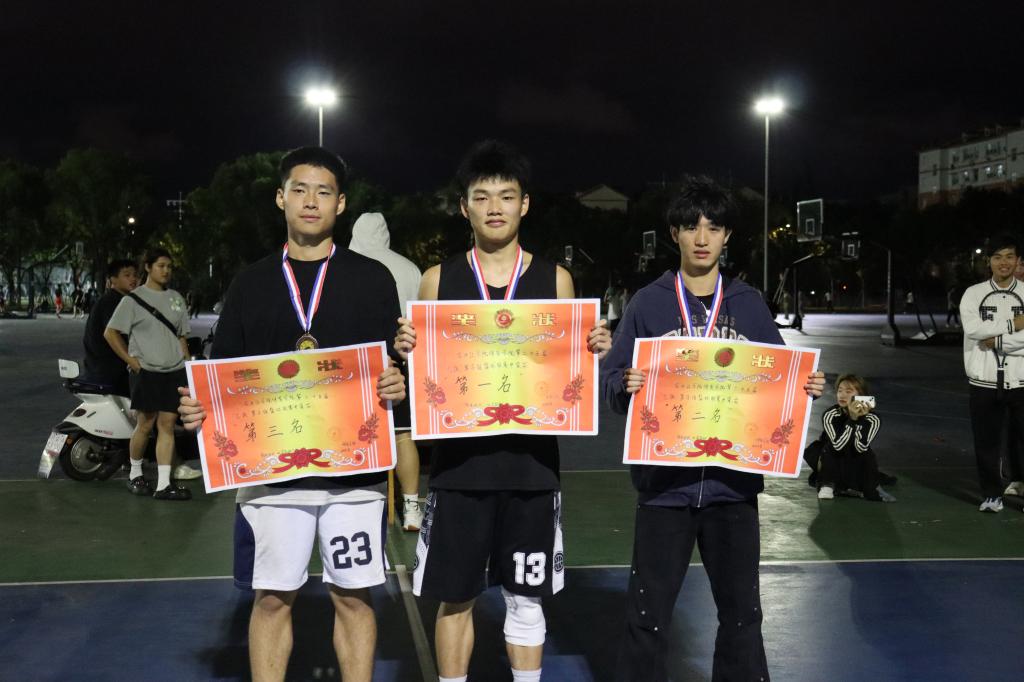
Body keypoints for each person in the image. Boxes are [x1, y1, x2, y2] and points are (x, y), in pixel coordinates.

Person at [178, 147, 407, 682]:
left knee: (354, 597)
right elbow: (222, 375)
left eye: (324, 191)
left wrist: (396, 383)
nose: (311, 201)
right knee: (271, 599)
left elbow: (392, 367)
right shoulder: (250, 282)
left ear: (340, 204)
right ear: (280, 198)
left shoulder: (373, 279)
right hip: (272, 476)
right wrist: (199, 408)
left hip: (354, 476)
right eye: (299, 189)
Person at [394, 140, 611, 682]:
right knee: (454, 598)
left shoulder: (556, 280)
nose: (495, 207)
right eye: (482, 196)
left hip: (531, 468)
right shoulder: (437, 280)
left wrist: (592, 348)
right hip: (460, 469)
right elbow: (423, 376)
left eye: (506, 196)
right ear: (463, 207)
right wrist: (407, 350)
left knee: (526, 598)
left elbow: (569, 368)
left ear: (525, 205)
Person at [599, 176, 825, 681]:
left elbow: (778, 376)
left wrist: (805, 385)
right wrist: (626, 383)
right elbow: (610, 380)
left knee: (742, 616)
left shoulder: (748, 303)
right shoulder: (648, 303)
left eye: (714, 227)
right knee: (647, 617)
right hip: (664, 489)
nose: (702, 238)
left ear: (727, 236)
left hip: (732, 490)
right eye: (691, 226)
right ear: (674, 233)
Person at [349, 211, 425, 531]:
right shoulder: (409, 268)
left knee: (353, 433)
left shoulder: (344, 265)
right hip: (400, 361)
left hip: (354, 365)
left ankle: (357, 505)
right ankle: (411, 507)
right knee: (403, 435)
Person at [105, 248, 198, 499]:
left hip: (174, 371)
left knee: (167, 425)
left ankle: (163, 484)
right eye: (161, 266)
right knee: (145, 425)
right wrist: (131, 361)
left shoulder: (176, 298)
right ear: (147, 267)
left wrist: (187, 365)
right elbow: (110, 333)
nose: (166, 271)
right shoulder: (132, 300)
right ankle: (135, 474)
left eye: (169, 266)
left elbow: (181, 336)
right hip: (146, 372)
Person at [959, 233, 1024, 513]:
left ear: (1018, 260)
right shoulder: (973, 294)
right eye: (997, 257)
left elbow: (986, 335)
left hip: (1021, 380)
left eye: (1009, 256)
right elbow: (973, 329)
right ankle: (992, 494)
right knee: (986, 441)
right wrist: (1014, 324)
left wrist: (997, 341)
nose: (1003, 262)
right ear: (989, 261)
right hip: (983, 380)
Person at [814, 374, 895, 502]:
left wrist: (859, 420)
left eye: (848, 391)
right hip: (834, 462)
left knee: (867, 453)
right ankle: (827, 485)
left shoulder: (873, 419)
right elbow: (837, 447)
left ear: (861, 395)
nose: (842, 395)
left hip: (856, 463)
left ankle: (871, 486)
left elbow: (860, 448)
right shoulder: (831, 415)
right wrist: (851, 420)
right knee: (829, 447)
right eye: (840, 391)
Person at [82, 259, 138, 397]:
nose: (133, 279)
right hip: (110, 372)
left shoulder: (117, 300)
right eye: (127, 275)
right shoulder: (112, 302)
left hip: (100, 369)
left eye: (135, 275)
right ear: (113, 279)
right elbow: (113, 334)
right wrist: (133, 362)